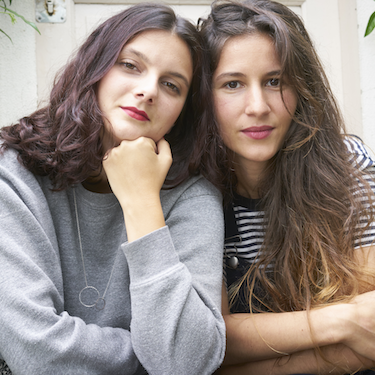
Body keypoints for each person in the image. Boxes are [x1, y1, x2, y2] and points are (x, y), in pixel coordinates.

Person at [0, 3, 226, 374]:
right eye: (130, 65)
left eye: (171, 85)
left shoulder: (193, 194)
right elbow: (35, 349)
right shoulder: (15, 172)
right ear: (96, 69)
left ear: (183, 111)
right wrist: (144, 354)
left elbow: (187, 362)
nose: (148, 90)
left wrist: (142, 202)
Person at [198, 0, 375, 374]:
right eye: (233, 84)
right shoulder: (192, 193)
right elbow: (208, 342)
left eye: (275, 81)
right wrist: (339, 322)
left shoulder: (347, 165)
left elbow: (372, 326)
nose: (258, 106)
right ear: (203, 98)